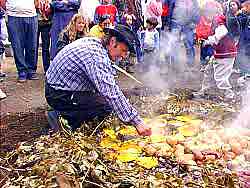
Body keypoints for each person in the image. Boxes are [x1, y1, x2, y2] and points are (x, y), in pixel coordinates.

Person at [45, 24, 152, 136]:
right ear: (112, 41)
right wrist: (137, 122)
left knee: (105, 103)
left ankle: (71, 113)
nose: (124, 56)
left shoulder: (98, 46)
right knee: (106, 106)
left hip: (62, 86)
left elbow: (108, 82)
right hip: (58, 94)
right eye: (123, 50)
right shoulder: (96, 56)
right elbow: (111, 93)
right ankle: (59, 116)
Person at [194, 0, 238, 100]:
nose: (205, 13)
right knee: (208, 71)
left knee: (220, 77)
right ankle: (205, 90)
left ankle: (229, 95)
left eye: (206, 11)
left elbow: (222, 32)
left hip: (226, 53)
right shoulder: (218, 18)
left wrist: (208, 41)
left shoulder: (218, 19)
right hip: (220, 52)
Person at [3, 0, 39, 82]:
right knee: (17, 46)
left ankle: (31, 71)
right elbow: (2, 2)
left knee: (32, 45)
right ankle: (22, 72)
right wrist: (12, 9)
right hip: (14, 17)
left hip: (31, 16)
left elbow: (37, 2)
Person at [168, 0, 201, 66]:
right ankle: (174, 63)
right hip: (176, 24)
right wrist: (169, 23)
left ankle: (190, 63)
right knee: (174, 44)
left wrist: (195, 23)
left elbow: (197, 11)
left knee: (189, 44)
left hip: (189, 25)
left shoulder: (194, 1)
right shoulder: (175, 1)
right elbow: (171, 11)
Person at [36, 0, 52, 73]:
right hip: (34, 22)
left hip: (47, 23)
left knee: (45, 48)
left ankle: (47, 69)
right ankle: (32, 69)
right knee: (33, 46)